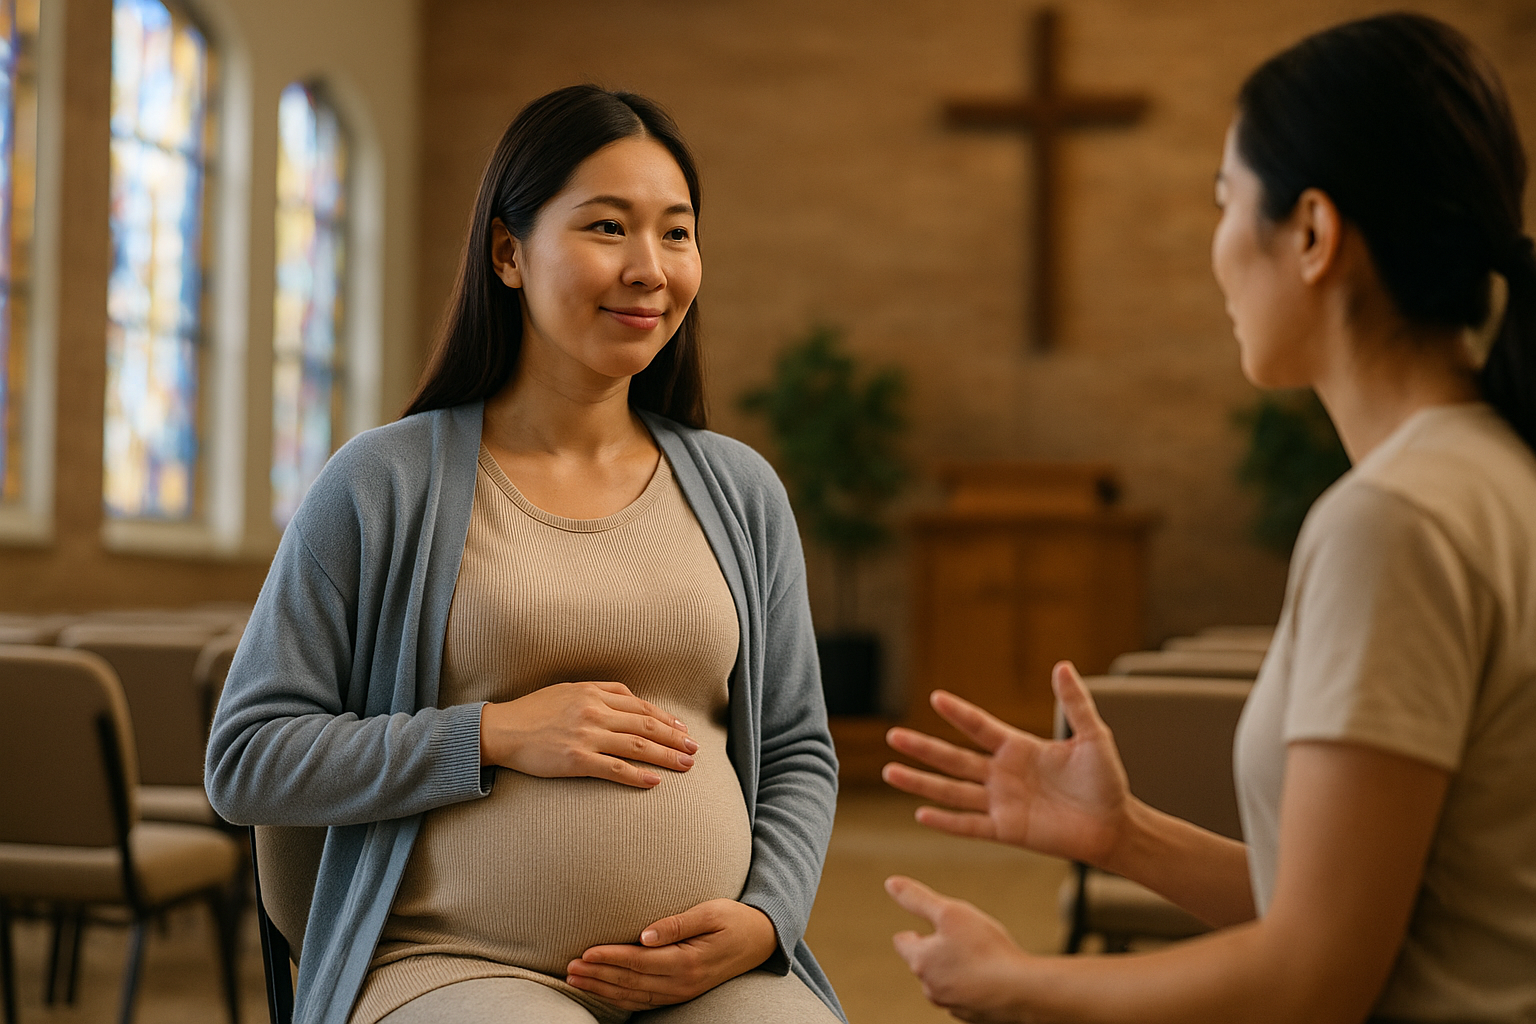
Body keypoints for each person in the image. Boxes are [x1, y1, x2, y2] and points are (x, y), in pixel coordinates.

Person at [881, 13, 1536, 1023]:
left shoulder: (1395, 519)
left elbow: (1316, 979)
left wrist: (1020, 987)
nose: (1216, 246)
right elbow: (1390, 916)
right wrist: (1125, 834)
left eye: (1227, 200)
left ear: (1313, 234)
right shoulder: (1493, 470)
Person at [205, 86, 844, 1024]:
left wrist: (764, 919)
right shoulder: (384, 483)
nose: (648, 268)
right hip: (452, 963)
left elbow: (795, 748)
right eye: (606, 227)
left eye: (676, 233)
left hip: (710, 976)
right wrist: (494, 733)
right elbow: (248, 759)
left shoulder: (739, 491)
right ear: (508, 252)